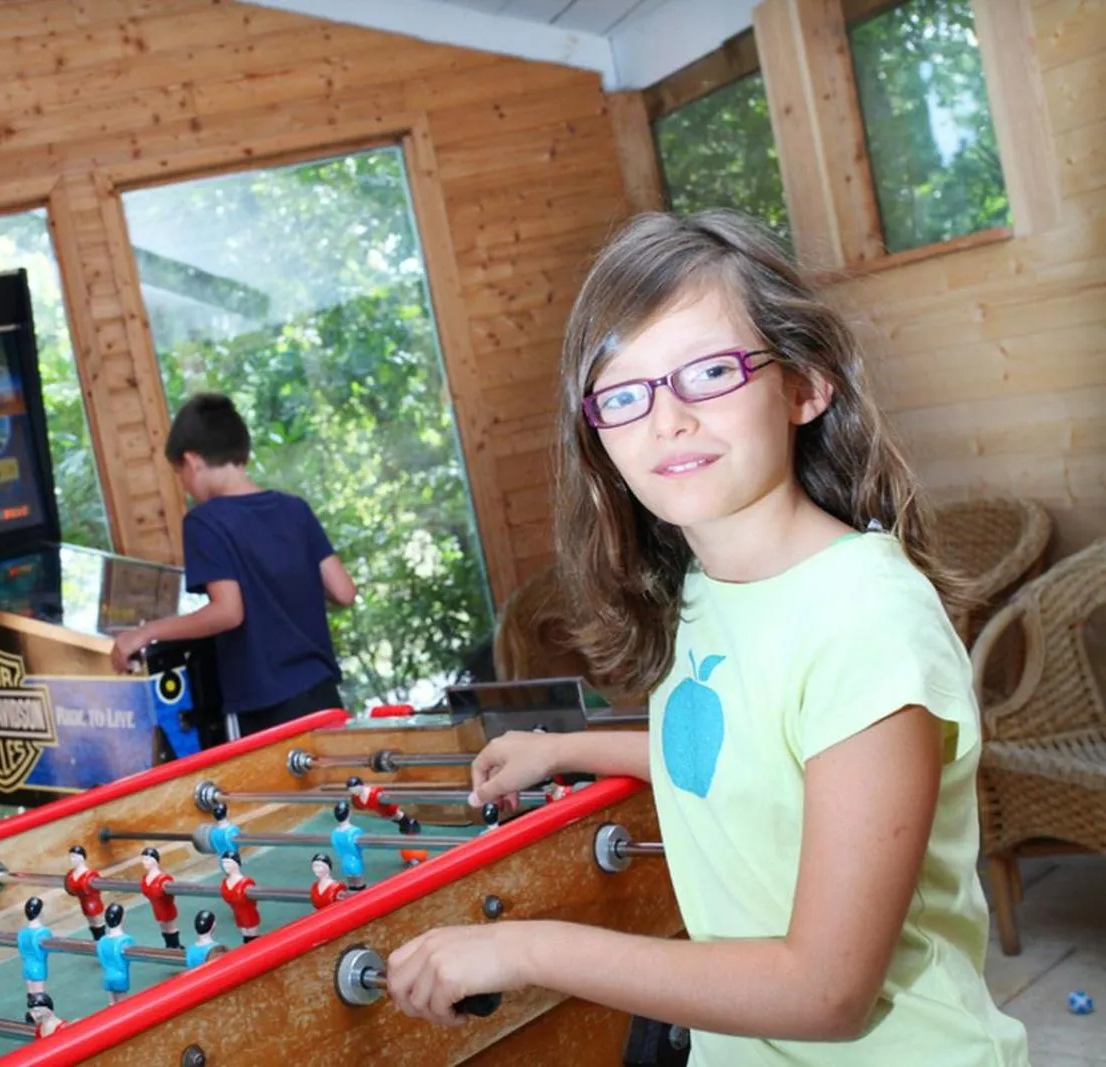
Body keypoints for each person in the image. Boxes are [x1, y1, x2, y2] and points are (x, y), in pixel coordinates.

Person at [385, 211, 1031, 1066]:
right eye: (625, 392)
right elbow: (745, 751)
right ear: (600, 434)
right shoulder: (708, 583)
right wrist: (563, 745)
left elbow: (824, 990)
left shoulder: (866, 619)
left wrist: (526, 948)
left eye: (710, 372)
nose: (668, 419)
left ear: (805, 385)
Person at [109, 393, 357, 735]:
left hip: (265, 709)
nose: (185, 484)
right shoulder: (294, 509)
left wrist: (144, 632)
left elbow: (228, 612)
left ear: (193, 460)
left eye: (179, 473)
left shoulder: (205, 521)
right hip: (322, 695)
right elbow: (343, 591)